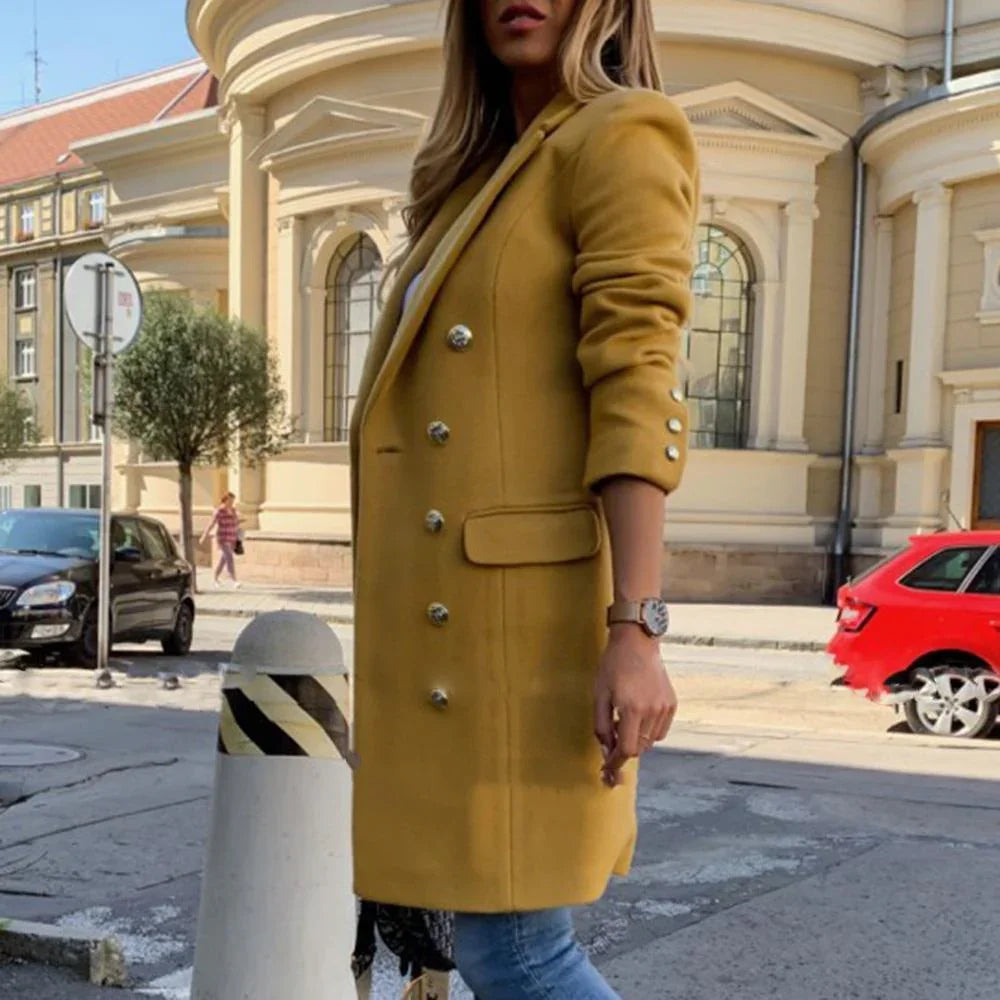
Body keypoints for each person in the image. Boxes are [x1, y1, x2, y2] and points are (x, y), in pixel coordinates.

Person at [348, 0, 699, 996]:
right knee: (493, 943)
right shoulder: (479, 179)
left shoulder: (620, 132)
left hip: (521, 637)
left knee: (516, 952)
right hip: (447, 634)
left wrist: (636, 626)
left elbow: (636, 383)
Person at [200, 492, 241, 589]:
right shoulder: (219, 511)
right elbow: (211, 524)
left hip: (231, 537)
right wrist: (204, 536)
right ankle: (234, 580)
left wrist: (239, 521)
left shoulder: (233, 510)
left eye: (233, 501)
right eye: (230, 501)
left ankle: (215, 578)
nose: (232, 503)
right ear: (225, 500)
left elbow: (235, 523)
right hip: (222, 537)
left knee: (223, 559)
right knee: (229, 558)